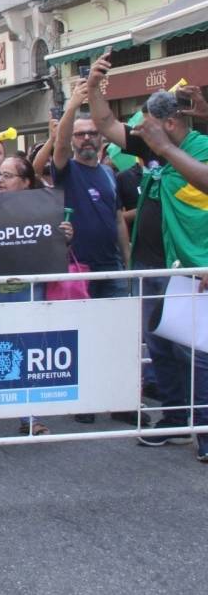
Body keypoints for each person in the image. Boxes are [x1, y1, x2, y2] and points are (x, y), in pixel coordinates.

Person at [86, 58, 208, 460]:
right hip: (151, 266)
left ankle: (204, 427)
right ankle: (174, 420)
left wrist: (166, 149)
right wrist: (94, 85)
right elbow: (106, 125)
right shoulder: (152, 147)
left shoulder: (198, 147)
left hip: (192, 268)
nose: (138, 131)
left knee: (197, 353)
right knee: (161, 348)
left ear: (168, 124)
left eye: (145, 125)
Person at [0, 156, 76, 439]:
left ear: (25, 182)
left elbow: (53, 251)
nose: (0, 180)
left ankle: (30, 418)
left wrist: (65, 237)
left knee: (30, 352)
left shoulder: (44, 210)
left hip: (27, 292)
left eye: (8, 176)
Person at [51, 79, 131, 299]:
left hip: (112, 269)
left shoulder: (108, 174)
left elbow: (117, 219)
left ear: (101, 138)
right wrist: (73, 105)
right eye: (80, 134)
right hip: (77, 268)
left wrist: (128, 260)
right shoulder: (66, 169)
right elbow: (60, 144)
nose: (86, 138)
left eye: (93, 133)